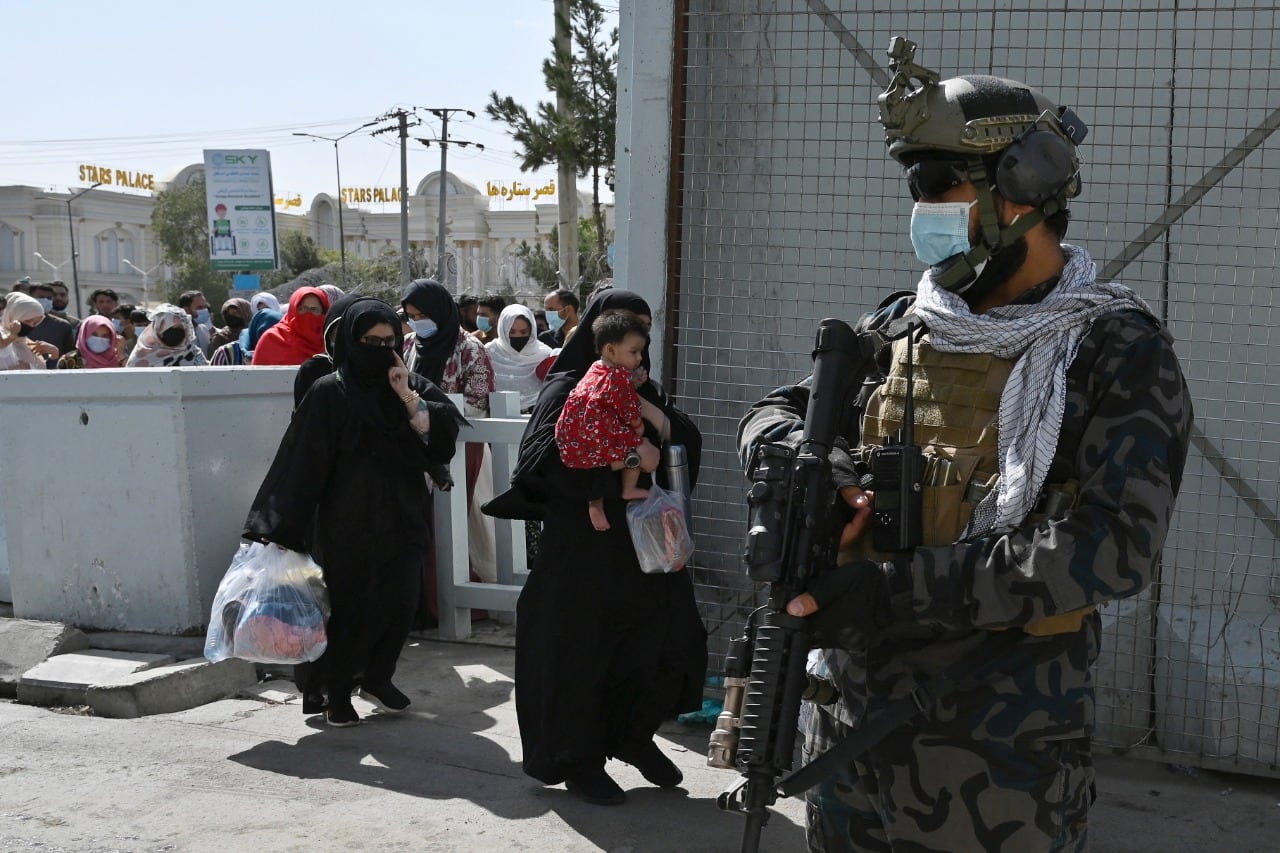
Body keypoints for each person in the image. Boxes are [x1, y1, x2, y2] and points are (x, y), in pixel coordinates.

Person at [737, 40, 1194, 851]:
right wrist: (803, 467)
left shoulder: (1114, 350)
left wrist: (889, 595)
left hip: (996, 767)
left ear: (1020, 190)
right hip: (851, 745)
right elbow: (780, 412)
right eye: (918, 185)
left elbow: (1112, 548)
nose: (924, 209)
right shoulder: (903, 326)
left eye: (939, 184)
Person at [502, 288, 707, 806]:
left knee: (666, 648)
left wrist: (647, 414)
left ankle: (632, 737)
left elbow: (683, 445)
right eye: (625, 328)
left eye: (643, 331)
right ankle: (580, 761)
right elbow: (541, 463)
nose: (636, 343)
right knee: (581, 660)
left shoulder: (642, 387)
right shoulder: (568, 387)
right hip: (584, 555)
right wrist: (616, 469)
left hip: (646, 553)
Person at [244, 299, 464, 726]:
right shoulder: (330, 391)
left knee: (401, 602)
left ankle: (379, 677)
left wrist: (406, 397)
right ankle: (338, 691)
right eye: (371, 341)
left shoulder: (406, 386)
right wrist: (281, 524)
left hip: (402, 514)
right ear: (351, 340)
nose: (382, 349)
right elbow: (301, 460)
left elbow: (441, 439)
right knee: (350, 609)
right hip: (348, 522)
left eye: (390, 341)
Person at [401, 278, 498, 620]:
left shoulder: (469, 349)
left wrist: (425, 411)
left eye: (421, 314)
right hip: (413, 449)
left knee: (456, 527)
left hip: (459, 450)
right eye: (410, 314)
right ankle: (420, 604)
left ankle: (456, 603)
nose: (415, 321)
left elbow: (477, 403)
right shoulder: (409, 345)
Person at [554, 313, 660, 531]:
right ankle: (628, 489)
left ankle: (596, 504)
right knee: (644, 451)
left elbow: (605, 394)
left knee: (598, 464)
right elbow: (630, 410)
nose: (639, 358)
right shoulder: (618, 377)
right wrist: (639, 429)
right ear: (611, 350)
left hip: (572, 441)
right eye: (634, 352)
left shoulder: (596, 368)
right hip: (598, 439)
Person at [484, 303, 556, 413]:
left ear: (531, 331)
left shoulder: (544, 354)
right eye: (511, 332)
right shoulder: (489, 352)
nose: (517, 336)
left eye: (523, 332)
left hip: (535, 416)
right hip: (496, 417)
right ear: (503, 330)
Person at [250, 287, 330, 366]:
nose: (308, 314)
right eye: (302, 308)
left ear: (323, 312)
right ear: (293, 310)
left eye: (314, 309)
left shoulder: (330, 340)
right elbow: (256, 376)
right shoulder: (272, 338)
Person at [125, 304, 209, 367]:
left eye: (180, 328)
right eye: (170, 328)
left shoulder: (193, 353)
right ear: (157, 330)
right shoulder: (141, 356)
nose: (176, 332)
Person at [26, 283, 76, 367]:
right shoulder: (18, 323)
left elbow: (70, 355)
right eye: (41, 297)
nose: (45, 300)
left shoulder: (63, 325)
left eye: (49, 298)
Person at [0, 292, 54, 370]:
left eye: (35, 323)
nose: (31, 326)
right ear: (12, 314)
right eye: (27, 321)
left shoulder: (27, 343)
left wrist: (53, 355)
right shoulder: (4, 339)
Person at [57, 315, 123, 369]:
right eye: (94, 335)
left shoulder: (119, 360)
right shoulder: (69, 361)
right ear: (84, 335)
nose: (99, 339)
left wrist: (122, 356)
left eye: (105, 336)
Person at [178, 290, 213, 355]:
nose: (204, 310)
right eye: (199, 307)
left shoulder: (204, 329)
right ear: (186, 310)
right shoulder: (178, 334)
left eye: (205, 306)